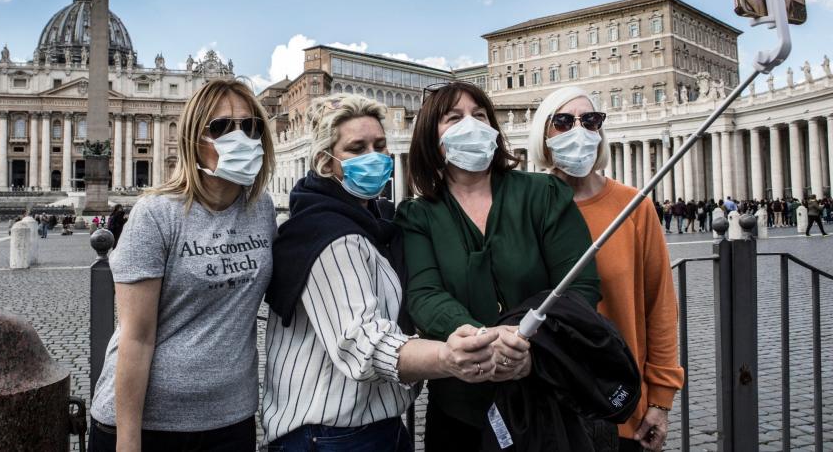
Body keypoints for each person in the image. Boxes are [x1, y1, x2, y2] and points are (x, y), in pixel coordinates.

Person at [262, 94, 499, 451]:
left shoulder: (375, 223)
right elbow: (364, 343)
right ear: (326, 164)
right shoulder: (329, 237)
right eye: (356, 148)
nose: (373, 156)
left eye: (379, 145)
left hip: (372, 426)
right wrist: (447, 357)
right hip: (330, 434)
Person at [395, 82, 600, 451]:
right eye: (454, 118)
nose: (470, 124)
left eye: (480, 115)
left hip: (547, 398)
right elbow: (425, 294)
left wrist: (529, 351)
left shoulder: (544, 194)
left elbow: (580, 287)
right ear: (430, 136)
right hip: (459, 411)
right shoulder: (417, 215)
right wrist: (483, 341)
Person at [88, 79, 276, 452]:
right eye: (221, 127)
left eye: (250, 126)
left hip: (231, 418)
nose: (240, 137)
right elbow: (136, 338)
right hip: (152, 425)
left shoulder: (262, 209)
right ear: (194, 139)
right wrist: (128, 442)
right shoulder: (156, 215)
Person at [527, 87, 684, 452]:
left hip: (620, 404)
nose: (579, 131)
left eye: (591, 121)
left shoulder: (634, 206)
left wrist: (660, 401)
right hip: (545, 407)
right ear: (543, 134)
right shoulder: (524, 204)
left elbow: (659, 307)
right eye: (563, 122)